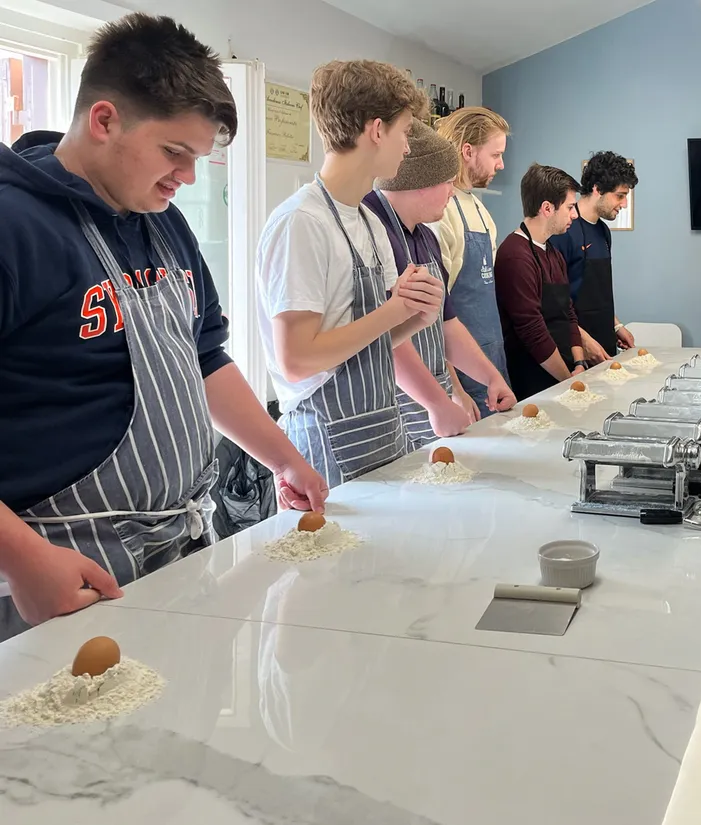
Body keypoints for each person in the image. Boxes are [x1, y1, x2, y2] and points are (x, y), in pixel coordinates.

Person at [0, 13, 328, 640]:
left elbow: (205, 359)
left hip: (175, 551)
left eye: (199, 157)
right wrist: (22, 560)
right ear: (105, 120)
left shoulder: (164, 224)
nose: (188, 176)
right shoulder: (16, 226)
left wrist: (285, 459)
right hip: (54, 574)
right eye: (175, 153)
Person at [256, 60, 444, 487]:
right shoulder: (302, 221)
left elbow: (367, 344)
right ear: (376, 130)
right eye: (404, 132)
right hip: (324, 439)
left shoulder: (369, 222)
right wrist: (394, 311)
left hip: (380, 429)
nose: (408, 148)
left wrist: (415, 316)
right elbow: (298, 359)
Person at [364, 120, 516, 450]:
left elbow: (446, 323)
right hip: (399, 405)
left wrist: (489, 377)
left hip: (436, 403)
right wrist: (440, 402)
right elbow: (383, 339)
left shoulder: (424, 236)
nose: (451, 192)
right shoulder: (372, 232)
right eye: (448, 182)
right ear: (422, 183)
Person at [434, 107, 511, 418]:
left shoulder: (479, 210)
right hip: (462, 378)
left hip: (492, 363)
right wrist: (455, 391)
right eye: (495, 154)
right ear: (468, 151)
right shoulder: (442, 211)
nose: (501, 164)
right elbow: (435, 315)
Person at [495, 163, 586, 401]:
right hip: (534, 381)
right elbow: (532, 330)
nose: (575, 215)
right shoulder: (515, 255)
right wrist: (568, 381)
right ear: (547, 208)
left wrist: (580, 363)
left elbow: (569, 314)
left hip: (565, 374)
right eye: (570, 207)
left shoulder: (554, 253)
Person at [549, 151, 638, 362]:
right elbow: (555, 304)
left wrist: (616, 326)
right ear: (597, 189)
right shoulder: (564, 231)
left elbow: (599, 293)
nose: (624, 204)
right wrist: (584, 342)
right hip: (575, 349)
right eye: (620, 195)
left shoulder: (603, 232)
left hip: (605, 346)